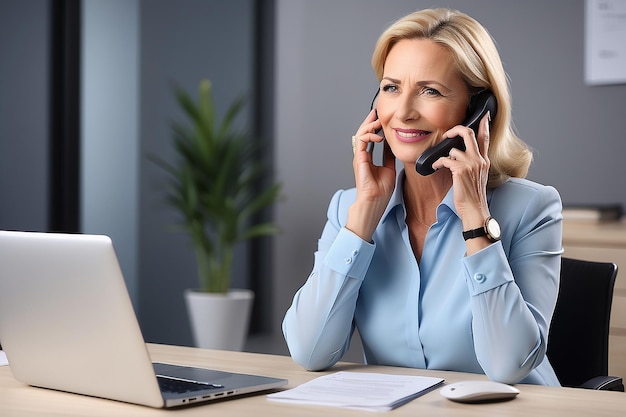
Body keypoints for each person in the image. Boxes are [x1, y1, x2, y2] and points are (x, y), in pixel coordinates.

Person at [281, 8, 563, 386]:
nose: (403, 112)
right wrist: (365, 214)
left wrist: (476, 220)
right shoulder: (349, 208)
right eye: (391, 87)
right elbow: (309, 351)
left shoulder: (532, 209)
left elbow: (508, 365)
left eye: (430, 91)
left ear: (480, 110)